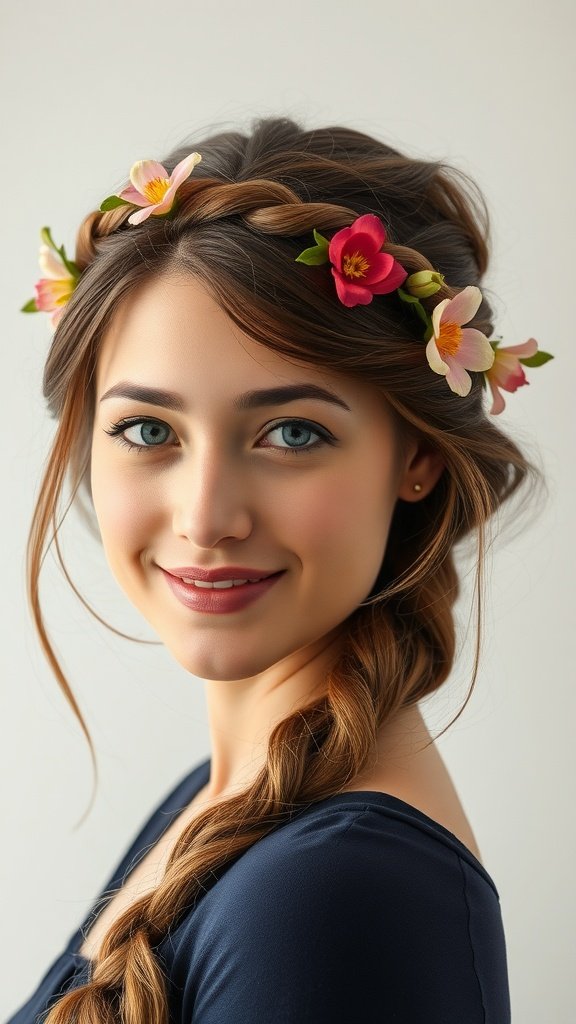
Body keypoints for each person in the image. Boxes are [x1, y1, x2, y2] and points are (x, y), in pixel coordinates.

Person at [10, 115, 551, 1023]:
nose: (206, 518)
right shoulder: (226, 803)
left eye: (292, 433)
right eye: (148, 429)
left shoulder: (340, 895)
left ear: (417, 456)